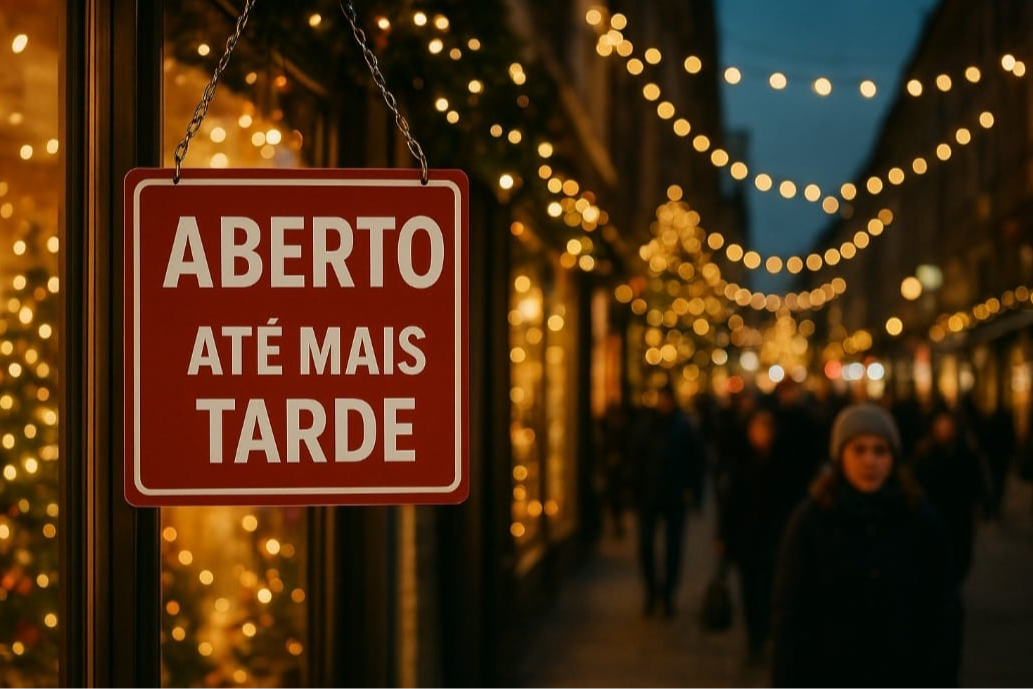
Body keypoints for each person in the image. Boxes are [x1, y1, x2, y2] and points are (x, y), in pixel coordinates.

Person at [771, 404, 957, 689]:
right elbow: (790, 613)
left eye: (880, 450)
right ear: (840, 456)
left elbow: (944, 608)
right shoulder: (811, 521)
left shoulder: (920, 520)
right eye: (859, 449)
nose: (870, 461)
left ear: (893, 457)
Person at [716, 408, 794, 660]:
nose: (762, 435)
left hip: (773, 538)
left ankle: (767, 633)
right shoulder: (741, 463)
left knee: (770, 588)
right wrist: (723, 536)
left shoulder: (782, 464)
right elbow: (730, 503)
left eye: (766, 430)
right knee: (750, 589)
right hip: (746, 539)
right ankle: (755, 637)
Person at [631, 381, 705, 618]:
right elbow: (637, 461)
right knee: (646, 547)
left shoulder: (683, 427)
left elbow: (695, 462)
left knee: (673, 548)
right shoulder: (648, 426)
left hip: (673, 496)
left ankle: (667, 594)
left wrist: (693, 492)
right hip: (649, 496)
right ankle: (652, 593)